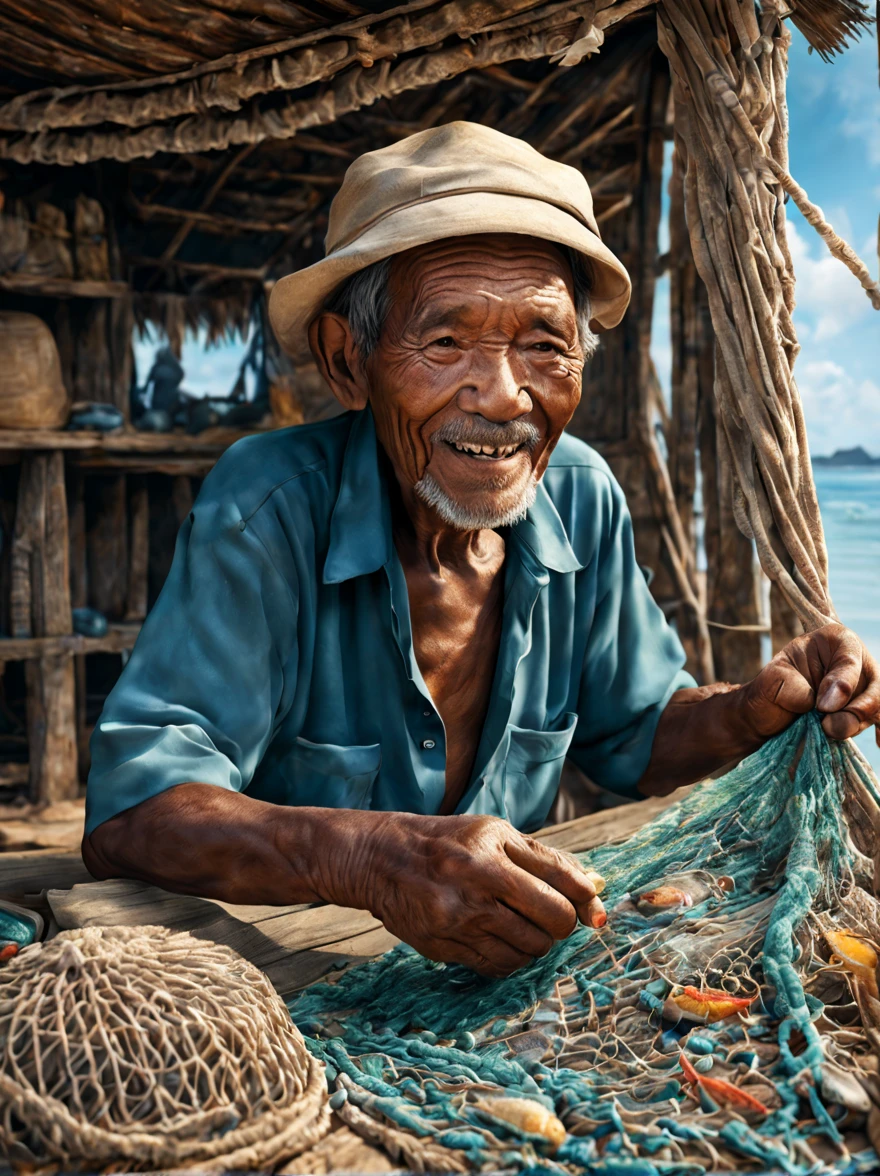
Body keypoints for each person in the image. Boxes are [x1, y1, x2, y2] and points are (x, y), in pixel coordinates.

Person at [83, 123, 880, 978]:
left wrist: (754, 706)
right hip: (280, 981)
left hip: (503, 984)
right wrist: (370, 858)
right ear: (349, 363)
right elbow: (136, 813)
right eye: (446, 342)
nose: (503, 398)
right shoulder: (269, 504)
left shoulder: (578, 493)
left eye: (544, 344)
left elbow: (636, 735)